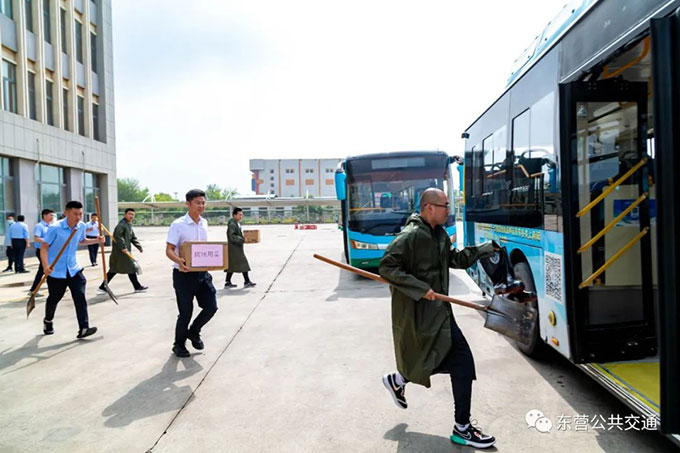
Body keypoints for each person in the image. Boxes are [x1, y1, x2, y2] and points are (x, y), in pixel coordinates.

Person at [378, 188, 498, 449]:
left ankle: (400, 380)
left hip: (441, 312)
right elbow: (387, 267)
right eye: (444, 206)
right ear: (429, 208)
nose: (448, 210)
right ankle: (462, 428)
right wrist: (420, 288)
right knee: (461, 362)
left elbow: (455, 259)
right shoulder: (410, 236)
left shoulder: (439, 235)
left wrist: (485, 249)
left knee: (452, 361)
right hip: (421, 314)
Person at [165, 189, 218, 358]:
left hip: (202, 273)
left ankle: (194, 331)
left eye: (203, 203)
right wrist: (179, 260)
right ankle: (178, 345)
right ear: (188, 204)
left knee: (211, 307)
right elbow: (169, 250)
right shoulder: (178, 225)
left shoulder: (204, 223)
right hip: (183, 275)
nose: (201, 206)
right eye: (197, 203)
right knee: (185, 312)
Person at [40, 201, 103, 339]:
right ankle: (48, 321)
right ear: (66, 212)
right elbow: (44, 247)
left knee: (80, 297)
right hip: (56, 271)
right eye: (75, 214)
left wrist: (97, 240)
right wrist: (45, 266)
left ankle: (84, 328)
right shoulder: (55, 228)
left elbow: (82, 241)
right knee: (54, 298)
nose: (78, 217)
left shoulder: (81, 226)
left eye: (80, 214)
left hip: (74, 269)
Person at [98, 208, 147, 293]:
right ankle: (137, 287)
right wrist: (123, 247)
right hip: (120, 252)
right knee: (129, 268)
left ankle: (103, 286)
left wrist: (139, 247)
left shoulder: (128, 225)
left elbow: (133, 238)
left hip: (125, 251)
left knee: (116, 269)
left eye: (133, 214)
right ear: (125, 215)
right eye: (129, 214)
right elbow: (118, 236)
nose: (131, 216)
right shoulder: (122, 225)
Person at [224, 207, 255, 288]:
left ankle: (227, 282)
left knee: (231, 265)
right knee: (243, 263)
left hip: (235, 248)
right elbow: (232, 236)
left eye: (242, 215)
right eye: (239, 215)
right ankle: (247, 281)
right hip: (234, 248)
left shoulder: (236, 223)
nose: (241, 216)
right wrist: (243, 239)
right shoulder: (232, 224)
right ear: (234, 215)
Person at [29, 209, 55, 295]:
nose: (52, 217)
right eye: (51, 215)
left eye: (53, 215)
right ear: (44, 215)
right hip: (41, 251)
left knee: (44, 270)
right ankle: (34, 290)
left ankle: (34, 289)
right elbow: (36, 238)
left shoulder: (50, 226)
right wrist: (47, 240)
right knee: (44, 269)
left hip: (49, 251)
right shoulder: (39, 226)